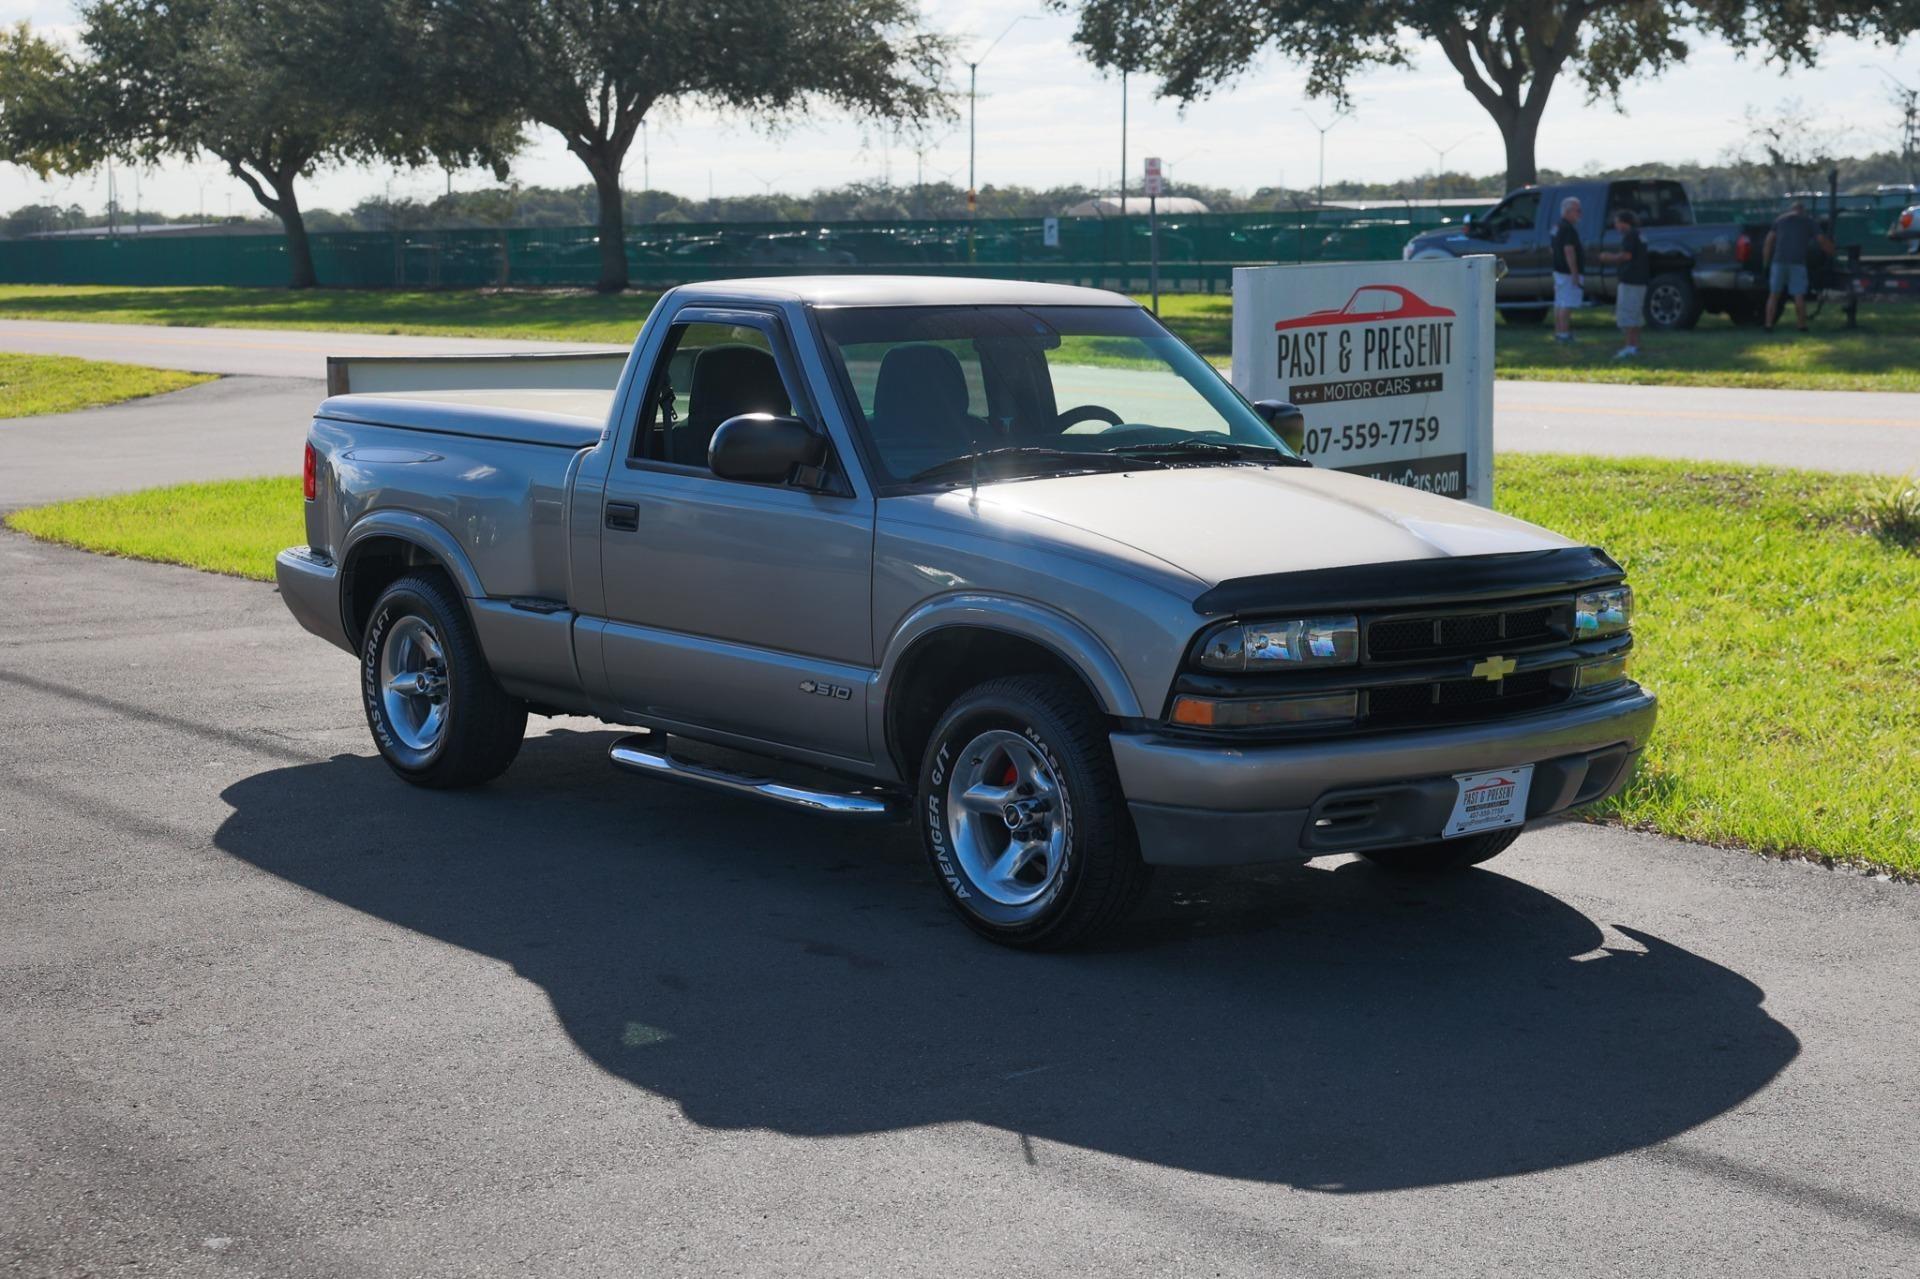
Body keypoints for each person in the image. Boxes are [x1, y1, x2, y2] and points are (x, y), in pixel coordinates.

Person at [1763, 200, 1832, 333]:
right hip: (1797, 263)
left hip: (1778, 262)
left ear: (1791, 209)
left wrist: (1766, 263)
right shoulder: (1808, 221)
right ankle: (1801, 326)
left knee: (1773, 295)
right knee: (1798, 295)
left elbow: (1768, 242)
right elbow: (1821, 240)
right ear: (1803, 210)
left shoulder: (1780, 220)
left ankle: (1768, 325)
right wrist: (1832, 252)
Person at [1599, 208, 1648, 359]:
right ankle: (1635, 345)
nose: (1616, 226)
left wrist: (1609, 257)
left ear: (1623, 223)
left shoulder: (1630, 236)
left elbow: (1626, 255)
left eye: (1617, 223)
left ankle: (1630, 347)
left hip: (1630, 281)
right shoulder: (1639, 234)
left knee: (1627, 314)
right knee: (1635, 314)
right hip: (1640, 280)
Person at [1550, 196, 1583, 343]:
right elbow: (1569, 250)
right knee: (1566, 304)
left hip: (1558, 270)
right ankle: (1564, 334)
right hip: (1567, 273)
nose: (1580, 214)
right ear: (1568, 211)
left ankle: (1559, 332)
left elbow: (1552, 249)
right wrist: (1574, 273)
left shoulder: (1557, 227)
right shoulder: (1568, 228)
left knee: (1559, 303)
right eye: (1578, 211)